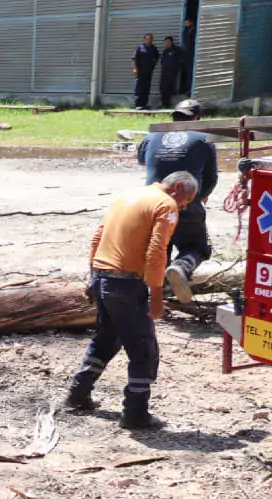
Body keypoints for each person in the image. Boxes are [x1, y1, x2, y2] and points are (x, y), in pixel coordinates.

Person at [64, 172, 199, 430]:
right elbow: (157, 251)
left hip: (103, 277)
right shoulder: (165, 204)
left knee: (107, 337)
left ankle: (78, 393)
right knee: (143, 349)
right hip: (126, 283)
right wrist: (157, 295)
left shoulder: (129, 195)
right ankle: (135, 412)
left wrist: (93, 277)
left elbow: (98, 236)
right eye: (186, 200)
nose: (184, 206)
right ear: (178, 187)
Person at [136, 99, 218, 302]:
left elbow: (141, 160)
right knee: (197, 247)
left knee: (160, 246)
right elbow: (211, 178)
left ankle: (157, 291)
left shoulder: (152, 135)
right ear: (197, 118)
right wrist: (199, 196)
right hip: (184, 203)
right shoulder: (204, 138)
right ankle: (180, 267)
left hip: (151, 203)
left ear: (174, 116)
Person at [132, 33, 159, 109]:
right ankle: (138, 104)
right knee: (139, 88)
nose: (150, 40)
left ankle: (144, 104)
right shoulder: (140, 47)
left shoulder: (154, 48)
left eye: (151, 38)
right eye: (148, 38)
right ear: (145, 39)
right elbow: (134, 58)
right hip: (140, 72)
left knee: (146, 88)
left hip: (148, 72)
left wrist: (153, 66)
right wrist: (135, 68)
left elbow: (157, 58)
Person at [159, 36, 183, 108]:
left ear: (172, 42)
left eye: (168, 42)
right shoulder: (165, 51)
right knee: (162, 88)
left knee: (168, 88)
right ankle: (163, 103)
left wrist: (175, 68)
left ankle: (166, 104)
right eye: (166, 42)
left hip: (172, 73)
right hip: (164, 72)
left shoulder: (176, 50)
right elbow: (162, 61)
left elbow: (181, 60)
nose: (167, 43)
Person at [181, 18, 197, 93]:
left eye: (187, 23)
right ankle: (189, 90)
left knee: (192, 72)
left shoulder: (194, 30)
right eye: (185, 23)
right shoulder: (186, 31)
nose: (186, 25)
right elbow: (186, 43)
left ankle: (191, 89)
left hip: (192, 54)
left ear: (191, 23)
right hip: (188, 55)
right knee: (189, 73)